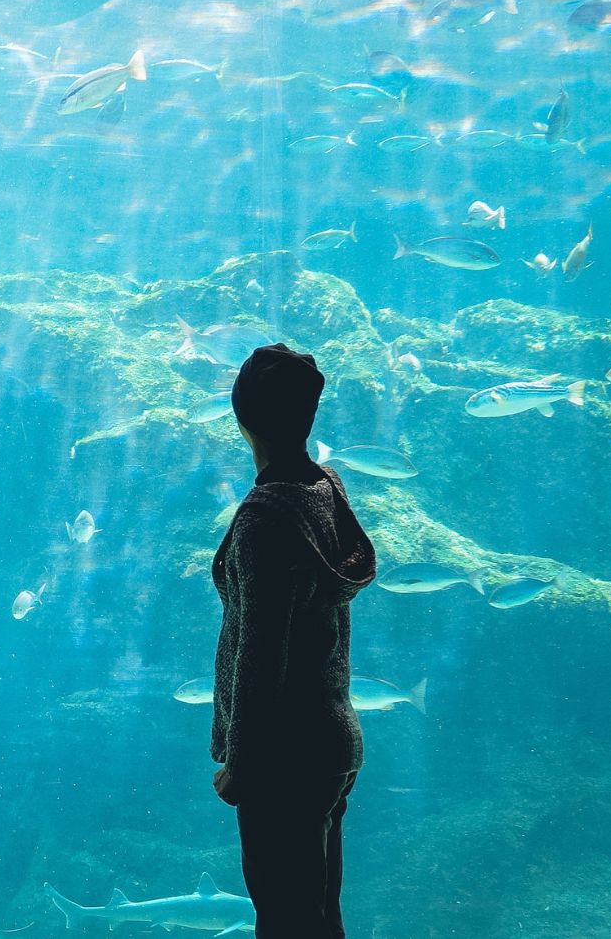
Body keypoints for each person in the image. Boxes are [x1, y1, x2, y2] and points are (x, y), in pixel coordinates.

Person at [209, 344, 375, 939]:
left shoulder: (265, 517)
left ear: (240, 415)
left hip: (283, 756)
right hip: (330, 740)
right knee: (317, 919)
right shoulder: (325, 488)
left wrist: (244, 764)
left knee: (286, 923)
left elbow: (261, 649)